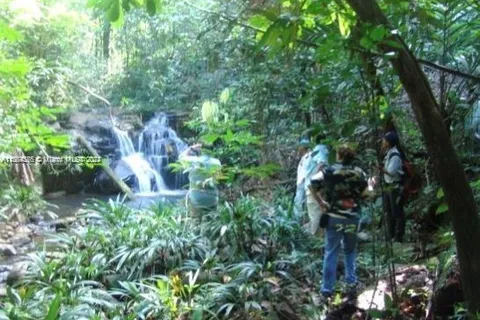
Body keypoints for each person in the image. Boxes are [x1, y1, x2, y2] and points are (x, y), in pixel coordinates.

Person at [309, 145, 368, 300]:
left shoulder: (328, 171)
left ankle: (327, 289)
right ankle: (351, 282)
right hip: (352, 218)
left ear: (339, 155)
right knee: (349, 250)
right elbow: (366, 193)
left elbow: (312, 182)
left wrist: (321, 202)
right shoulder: (359, 172)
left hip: (333, 218)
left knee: (331, 252)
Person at [178, 143, 222, 217]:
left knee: (195, 220)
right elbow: (218, 178)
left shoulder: (193, 161)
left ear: (201, 150)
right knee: (211, 219)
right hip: (212, 198)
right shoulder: (217, 162)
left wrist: (191, 148)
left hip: (196, 198)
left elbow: (181, 157)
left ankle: (195, 222)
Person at [378, 131, 406, 242]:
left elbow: (391, 172)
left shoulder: (395, 155)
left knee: (396, 212)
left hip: (394, 187)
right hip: (388, 186)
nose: (383, 142)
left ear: (389, 142)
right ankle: (391, 235)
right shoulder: (389, 153)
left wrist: (381, 169)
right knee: (388, 211)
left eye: (384, 140)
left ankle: (398, 236)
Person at [304, 133, 330, 236]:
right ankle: (317, 240)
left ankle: (316, 241)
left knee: (314, 213)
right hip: (316, 188)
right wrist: (317, 183)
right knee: (318, 213)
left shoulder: (313, 152)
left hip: (309, 187)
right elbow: (322, 164)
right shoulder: (323, 150)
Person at [293, 138, 311, 219]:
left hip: (304, 183)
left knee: (299, 203)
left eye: (300, 146)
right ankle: (300, 221)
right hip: (301, 183)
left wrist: (303, 181)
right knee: (299, 203)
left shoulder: (309, 157)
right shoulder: (304, 157)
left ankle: (298, 221)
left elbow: (308, 170)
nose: (299, 148)